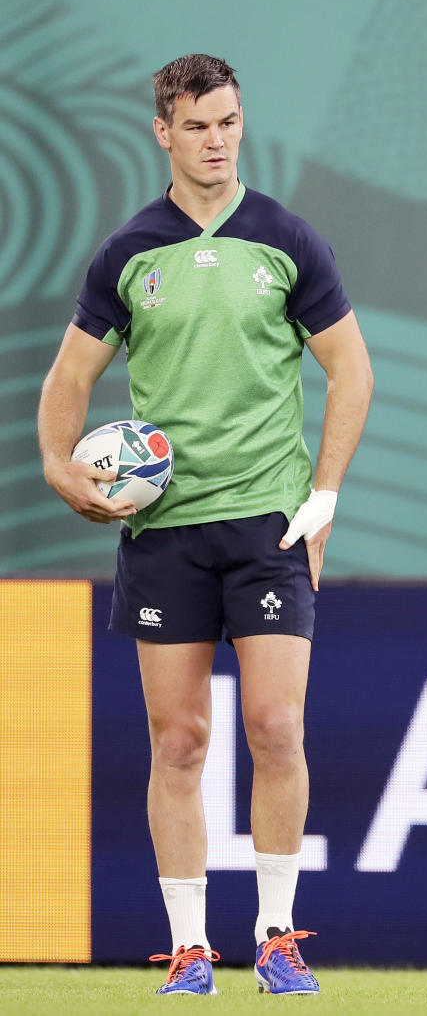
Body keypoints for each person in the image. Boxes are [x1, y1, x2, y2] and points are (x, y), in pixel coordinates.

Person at [37, 54, 373, 996]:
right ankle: (189, 948)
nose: (218, 141)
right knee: (178, 740)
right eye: (198, 126)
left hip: (268, 521)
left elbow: (353, 372)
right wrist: (65, 474)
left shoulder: (286, 239)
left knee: (275, 726)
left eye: (228, 122)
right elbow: (68, 382)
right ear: (164, 133)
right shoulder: (128, 254)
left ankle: (275, 935)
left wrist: (326, 493)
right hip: (165, 535)